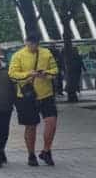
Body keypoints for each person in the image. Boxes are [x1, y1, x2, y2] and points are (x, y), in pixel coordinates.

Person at [9, 33, 61, 166]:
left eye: (36, 43)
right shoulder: (18, 55)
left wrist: (46, 73)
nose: (33, 46)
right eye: (31, 43)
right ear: (26, 42)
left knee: (51, 122)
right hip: (27, 96)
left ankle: (46, 151)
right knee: (31, 126)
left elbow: (55, 70)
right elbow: (12, 74)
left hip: (46, 94)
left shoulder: (46, 53)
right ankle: (31, 154)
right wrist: (28, 74)